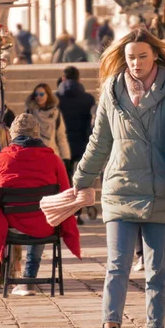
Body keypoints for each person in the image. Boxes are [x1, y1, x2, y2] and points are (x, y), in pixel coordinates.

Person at [73, 28, 165, 328]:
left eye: (143, 56)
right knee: (117, 265)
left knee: (157, 271)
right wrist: (82, 178)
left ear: (155, 56)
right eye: (130, 57)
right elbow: (100, 140)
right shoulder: (112, 89)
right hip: (120, 188)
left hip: (160, 189)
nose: (136, 63)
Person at [0, 113, 81, 296]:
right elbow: (66, 195)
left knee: (3, 217)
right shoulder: (53, 159)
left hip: (10, 226)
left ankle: (7, 275)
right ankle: (29, 279)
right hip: (45, 226)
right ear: (37, 135)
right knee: (43, 216)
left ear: (12, 135)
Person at [56, 66, 96, 224]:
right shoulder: (88, 99)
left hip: (62, 145)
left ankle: (65, 211)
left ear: (63, 78)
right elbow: (91, 124)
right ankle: (78, 212)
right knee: (79, 179)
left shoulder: (56, 98)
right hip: (82, 144)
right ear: (79, 79)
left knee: (64, 179)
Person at [25, 83, 71, 166]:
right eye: (36, 94)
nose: (38, 97)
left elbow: (61, 137)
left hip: (52, 155)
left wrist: (66, 157)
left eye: (41, 94)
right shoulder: (30, 113)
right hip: (35, 156)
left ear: (48, 95)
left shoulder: (56, 114)